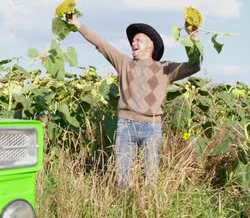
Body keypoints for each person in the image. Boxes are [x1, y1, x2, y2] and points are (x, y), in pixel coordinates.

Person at [66, 14, 201, 188]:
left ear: (150, 44)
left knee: (151, 177)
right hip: (126, 125)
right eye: (133, 41)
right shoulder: (124, 63)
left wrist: (193, 38)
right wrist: (77, 24)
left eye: (138, 40)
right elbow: (101, 43)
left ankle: (147, 208)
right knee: (123, 177)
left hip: (152, 127)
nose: (133, 44)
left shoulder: (165, 69)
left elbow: (194, 65)